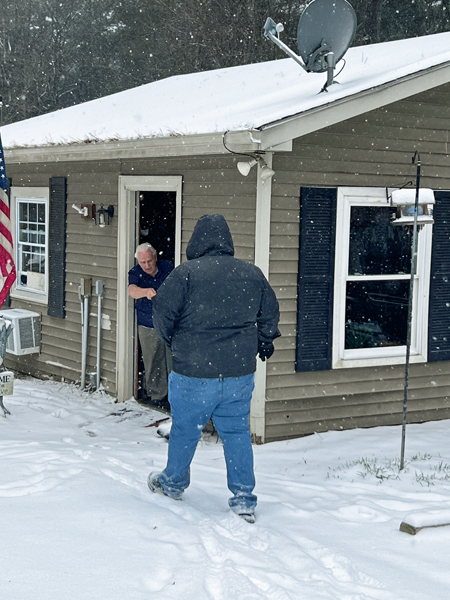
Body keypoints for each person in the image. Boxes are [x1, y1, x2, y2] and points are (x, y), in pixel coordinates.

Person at [147, 214, 280, 523]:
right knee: (236, 434)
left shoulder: (186, 274)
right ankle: (244, 498)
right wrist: (264, 340)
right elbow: (269, 313)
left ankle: (173, 484)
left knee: (185, 430)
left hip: (193, 372)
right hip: (239, 373)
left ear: (197, 242)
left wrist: (177, 344)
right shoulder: (252, 273)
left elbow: (162, 315)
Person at [128, 243, 173, 407]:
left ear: (155, 257)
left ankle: (174, 396)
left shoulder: (168, 267)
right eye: (143, 262)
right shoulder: (135, 273)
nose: (146, 265)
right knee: (153, 360)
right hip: (148, 323)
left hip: (170, 323)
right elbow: (131, 290)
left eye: (149, 261)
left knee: (173, 360)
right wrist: (145, 292)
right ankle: (157, 396)